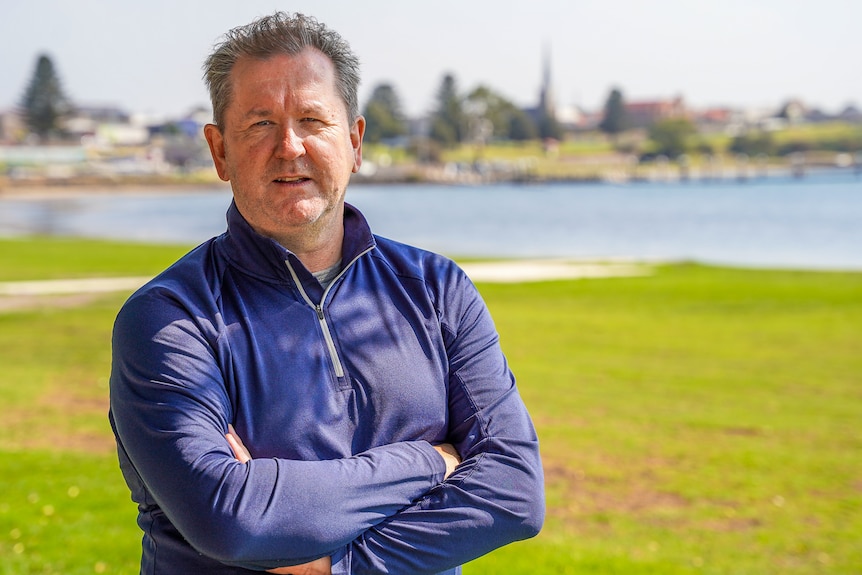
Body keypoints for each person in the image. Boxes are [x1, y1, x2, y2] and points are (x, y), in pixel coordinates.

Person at [109, 11, 544, 575]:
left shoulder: (438, 291)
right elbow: (231, 518)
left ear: (355, 142)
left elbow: (513, 493)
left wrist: (333, 566)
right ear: (219, 151)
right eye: (260, 124)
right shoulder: (170, 319)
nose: (290, 147)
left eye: (313, 120)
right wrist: (429, 461)